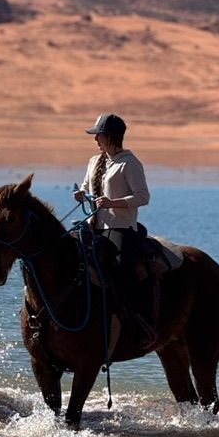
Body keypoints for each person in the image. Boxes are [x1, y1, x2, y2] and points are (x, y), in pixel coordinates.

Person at [73, 112, 151, 310]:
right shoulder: (93, 162)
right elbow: (85, 186)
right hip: (94, 226)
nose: (95, 139)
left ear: (109, 136)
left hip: (120, 228)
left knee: (118, 273)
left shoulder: (130, 163)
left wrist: (112, 203)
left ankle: (128, 314)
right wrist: (81, 194)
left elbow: (143, 197)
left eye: (98, 135)